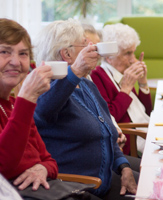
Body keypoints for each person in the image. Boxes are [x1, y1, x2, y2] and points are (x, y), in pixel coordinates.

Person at [33, 19, 138, 199]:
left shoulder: (86, 85)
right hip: (78, 189)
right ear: (66, 53)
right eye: (84, 43)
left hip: (105, 179)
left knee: (158, 184)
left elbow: (107, 133)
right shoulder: (45, 89)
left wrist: (124, 167)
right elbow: (43, 111)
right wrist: (76, 70)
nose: (92, 47)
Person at [0, 18, 57, 192]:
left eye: (23, 54)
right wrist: (27, 98)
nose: (16, 62)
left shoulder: (14, 105)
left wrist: (42, 169)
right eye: (4, 52)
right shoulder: (23, 104)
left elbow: (50, 162)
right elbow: (3, 168)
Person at [91, 23, 152, 155]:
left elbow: (146, 112)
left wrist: (142, 83)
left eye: (133, 53)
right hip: (129, 143)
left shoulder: (121, 73)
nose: (133, 60)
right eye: (128, 54)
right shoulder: (98, 75)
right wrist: (126, 89)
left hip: (143, 133)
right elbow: (109, 117)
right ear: (109, 57)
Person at [82, 23, 127, 149]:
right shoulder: (95, 75)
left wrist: (143, 84)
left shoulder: (88, 77)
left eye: (98, 49)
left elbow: (105, 114)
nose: (97, 54)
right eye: (91, 48)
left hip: (114, 147)